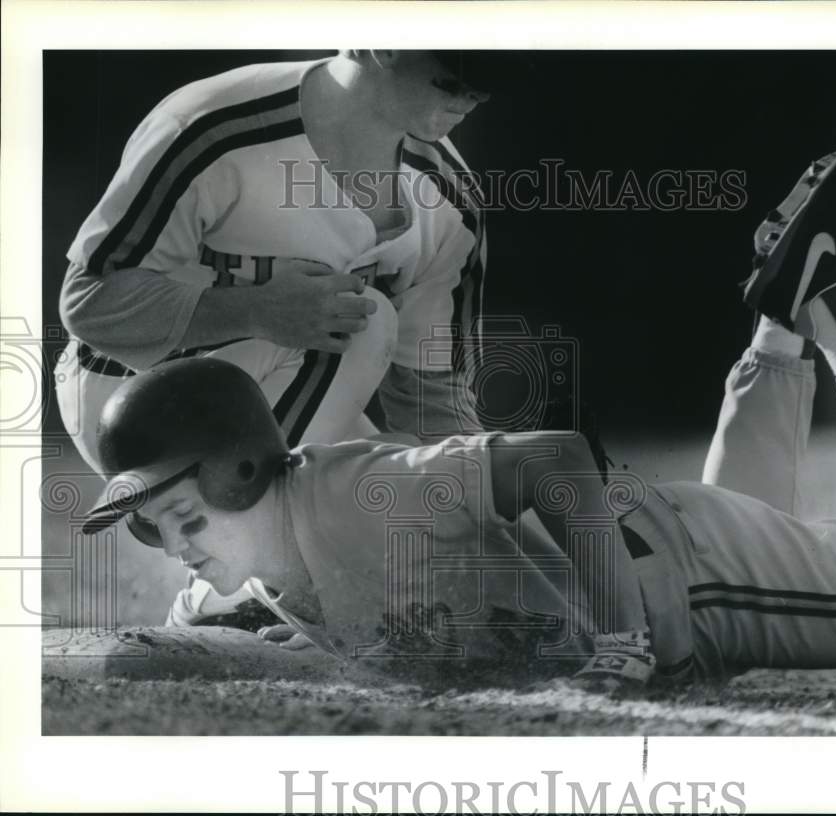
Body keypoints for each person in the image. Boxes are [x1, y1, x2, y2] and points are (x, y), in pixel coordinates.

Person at [80, 127, 836, 688]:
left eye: (183, 516)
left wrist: (622, 639)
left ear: (241, 474)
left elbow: (555, 458)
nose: (177, 548)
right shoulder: (251, 575)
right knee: (746, 521)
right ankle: (777, 327)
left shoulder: (364, 493)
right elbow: (145, 650)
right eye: (155, 529)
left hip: (694, 590)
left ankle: (834, 300)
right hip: (673, 548)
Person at [55, 50, 525, 627]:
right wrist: (253, 310)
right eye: (450, 78)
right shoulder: (214, 124)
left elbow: (430, 398)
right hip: (127, 401)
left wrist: (500, 515)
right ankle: (238, 585)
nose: (469, 99)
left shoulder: (450, 200)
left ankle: (270, 583)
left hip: (293, 394)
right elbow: (89, 302)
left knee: (395, 496)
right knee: (363, 316)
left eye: (483, 87)